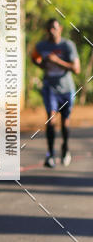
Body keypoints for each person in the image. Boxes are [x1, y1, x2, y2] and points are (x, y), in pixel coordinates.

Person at [31, 18, 80, 167]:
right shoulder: (41, 46)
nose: (52, 31)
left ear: (60, 29)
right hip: (50, 88)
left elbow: (76, 69)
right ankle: (50, 154)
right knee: (50, 120)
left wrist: (56, 61)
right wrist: (40, 63)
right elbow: (35, 58)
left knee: (65, 124)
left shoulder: (67, 46)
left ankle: (65, 147)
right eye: (49, 29)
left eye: (54, 28)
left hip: (66, 89)